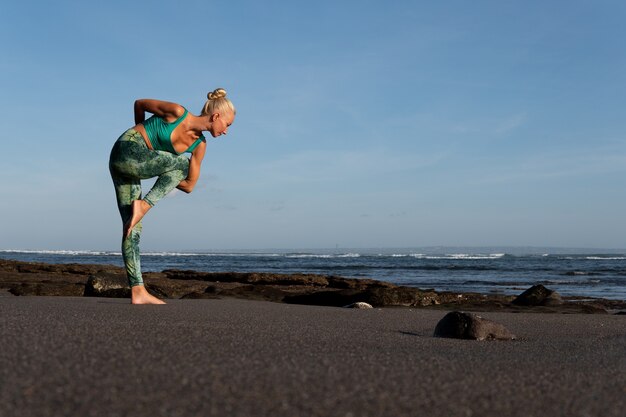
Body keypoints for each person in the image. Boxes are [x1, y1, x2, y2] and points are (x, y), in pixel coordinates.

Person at [109, 88, 236, 304]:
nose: (226, 131)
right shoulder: (177, 112)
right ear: (216, 117)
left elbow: (189, 186)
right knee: (181, 164)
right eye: (228, 124)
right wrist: (141, 134)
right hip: (126, 149)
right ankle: (145, 205)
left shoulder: (199, 146)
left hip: (133, 167)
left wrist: (161, 171)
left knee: (132, 227)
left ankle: (137, 290)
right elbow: (139, 103)